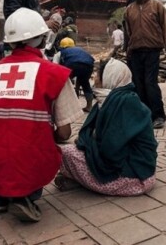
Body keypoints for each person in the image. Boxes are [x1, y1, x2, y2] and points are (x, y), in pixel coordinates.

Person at [0, 7, 83, 222]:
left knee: (2, 137)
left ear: (9, 42)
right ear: (41, 39)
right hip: (29, 157)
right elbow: (65, 133)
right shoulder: (54, 73)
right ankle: (24, 195)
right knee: (37, 143)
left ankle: (2, 195)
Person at [55, 58, 157, 195]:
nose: (95, 80)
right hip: (144, 171)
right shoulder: (113, 99)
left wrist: (88, 144)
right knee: (77, 149)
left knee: (66, 153)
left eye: (98, 76)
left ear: (109, 77)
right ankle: (80, 180)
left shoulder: (122, 103)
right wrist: (88, 142)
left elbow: (111, 153)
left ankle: (83, 181)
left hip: (135, 179)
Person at [124, 0, 166, 129]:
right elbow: (128, 32)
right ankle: (145, 114)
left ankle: (159, 115)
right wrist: (128, 49)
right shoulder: (129, 10)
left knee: (150, 83)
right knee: (138, 84)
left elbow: (164, 27)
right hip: (135, 51)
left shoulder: (157, 6)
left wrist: (163, 45)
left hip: (152, 50)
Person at [53, 37, 95, 112]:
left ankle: (69, 106)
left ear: (61, 46)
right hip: (89, 64)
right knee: (85, 83)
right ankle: (89, 106)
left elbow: (54, 66)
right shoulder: (80, 50)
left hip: (71, 64)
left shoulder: (60, 52)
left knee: (66, 83)